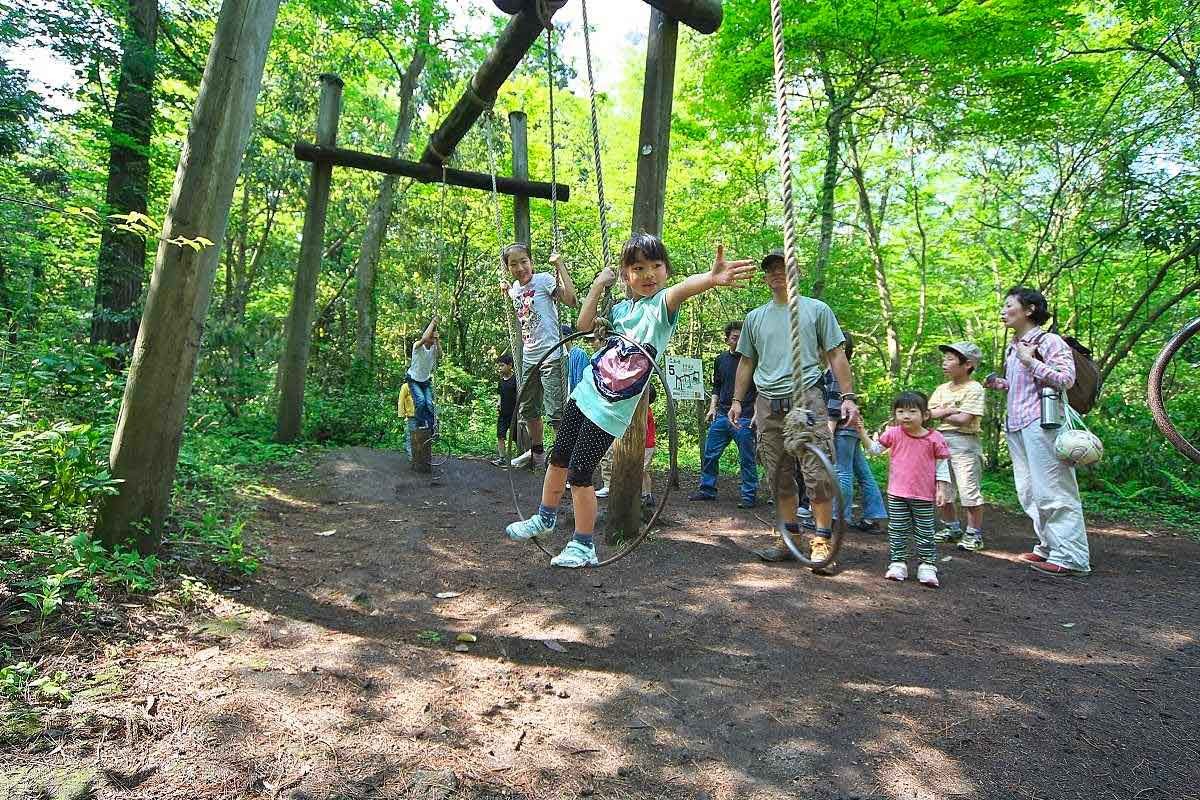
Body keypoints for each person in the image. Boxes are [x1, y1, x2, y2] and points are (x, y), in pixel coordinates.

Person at [505, 234, 755, 568]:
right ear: (626, 274)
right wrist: (598, 285)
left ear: (666, 271)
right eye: (638, 268)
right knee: (558, 457)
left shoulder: (661, 307)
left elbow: (683, 289)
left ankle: (583, 544)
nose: (648, 274)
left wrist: (711, 279)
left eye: (656, 266)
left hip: (611, 408)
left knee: (581, 473)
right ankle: (545, 517)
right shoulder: (621, 310)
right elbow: (581, 325)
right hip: (585, 392)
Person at [729, 249, 860, 569]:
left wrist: (849, 397)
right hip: (767, 404)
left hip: (807, 400)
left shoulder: (817, 310)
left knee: (818, 475)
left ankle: (821, 542)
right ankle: (788, 539)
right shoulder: (755, 318)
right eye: (771, 269)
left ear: (795, 271)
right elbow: (746, 362)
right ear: (765, 277)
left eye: (783, 268)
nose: (776, 273)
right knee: (778, 475)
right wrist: (735, 401)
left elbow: (836, 354)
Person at [984, 287, 1090, 577]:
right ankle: (1048, 546)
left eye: (1009, 306)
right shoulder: (1014, 345)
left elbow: (1066, 380)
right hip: (1017, 424)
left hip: (1043, 423)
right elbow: (1023, 385)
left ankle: (1072, 557)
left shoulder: (1049, 341)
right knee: (1029, 491)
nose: (1003, 311)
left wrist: (1030, 361)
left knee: (1053, 489)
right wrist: (1002, 384)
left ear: (1029, 310)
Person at [501, 244, 579, 468]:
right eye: (513, 264)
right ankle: (537, 453)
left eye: (523, 261)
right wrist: (506, 290)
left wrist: (559, 265)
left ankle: (565, 461)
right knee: (528, 409)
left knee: (556, 411)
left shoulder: (544, 280)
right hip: (529, 357)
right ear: (508, 267)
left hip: (552, 355)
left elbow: (571, 300)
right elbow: (519, 300)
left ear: (531, 262)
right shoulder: (514, 288)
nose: (520, 267)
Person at [867, 392, 952, 587]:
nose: (906, 416)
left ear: (925, 415)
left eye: (912, 411)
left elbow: (942, 466)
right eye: (900, 411)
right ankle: (898, 563)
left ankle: (927, 566)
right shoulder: (893, 434)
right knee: (897, 529)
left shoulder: (935, 438)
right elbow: (874, 450)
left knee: (925, 531)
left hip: (923, 494)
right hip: (897, 493)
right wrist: (861, 431)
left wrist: (941, 488)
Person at [689, 321, 759, 508]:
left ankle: (749, 495)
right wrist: (712, 407)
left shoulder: (753, 359)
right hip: (721, 414)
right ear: (727, 339)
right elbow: (717, 386)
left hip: (745, 415)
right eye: (735, 337)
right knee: (710, 454)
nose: (738, 341)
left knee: (746, 458)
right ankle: (707, 489)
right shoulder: (720, 360)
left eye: (741, 338)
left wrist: (757, 412)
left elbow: (760, 388)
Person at [823, 333, 886, 533]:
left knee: (842, 472)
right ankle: (873, 516)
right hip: (851, 428)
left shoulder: (834, 371)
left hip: (841, 428)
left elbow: (834, 405)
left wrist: (828, 434)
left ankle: (839, 517)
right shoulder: (841, 370)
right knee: (862, 472)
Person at [929, 341, 988, 551]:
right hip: (941, 442)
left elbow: (965, 419)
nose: (945, 363)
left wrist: (943, 411)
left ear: (968, 364)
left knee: (968, 489)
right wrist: (948, 411)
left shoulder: (974, 388)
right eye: (945, 358)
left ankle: (974, 533)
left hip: (965, 443)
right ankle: (951, 528)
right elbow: (929, 414)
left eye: (951, 359)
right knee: (943, 487)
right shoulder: (941, 389)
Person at [596, 385, 657, 505]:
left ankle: (646, 495)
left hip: (647, 446)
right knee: (641, 470)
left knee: (641, 470)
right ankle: (644, 495)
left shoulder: (644, 412)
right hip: (644, 445)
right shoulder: (642, 410)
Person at [406, 317, 439, 430]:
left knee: (429, 404)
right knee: (421, 402)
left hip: (425, 381)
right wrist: (433, 322)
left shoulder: (434, 348)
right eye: (431, 337)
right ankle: (419, 424)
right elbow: (424, 338)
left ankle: (431, 429)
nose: (431, 339)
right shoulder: (418, 346)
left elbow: (441, 355)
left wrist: (437, 340)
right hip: (414, 380)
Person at [493, 353, 518, 466]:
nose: (500, 368)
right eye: (499, 366)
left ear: (510, 365)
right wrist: (498, 403)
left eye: (502, 365)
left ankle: (521, 457)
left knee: (517, 437)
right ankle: (502, 458)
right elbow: (500, 394)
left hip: (514, 414)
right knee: (500, 435)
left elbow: (519, 396)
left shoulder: (515, 380)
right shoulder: (501, 380)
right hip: (503, 413)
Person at [397, 381, 417, 458]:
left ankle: (419, 455)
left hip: (422, 416)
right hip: (411, 416)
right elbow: (401, 400)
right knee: (410, 436)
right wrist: (401, 414)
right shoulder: (406, 386)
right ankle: (411, 456)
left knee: (422, 436)